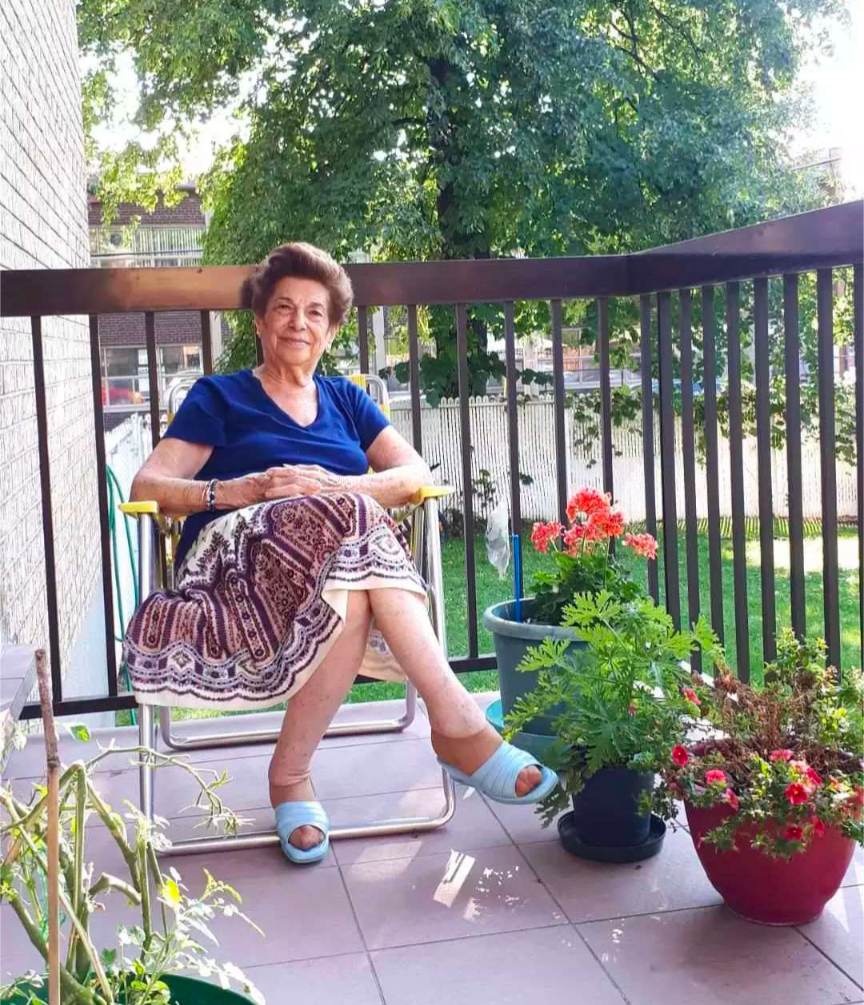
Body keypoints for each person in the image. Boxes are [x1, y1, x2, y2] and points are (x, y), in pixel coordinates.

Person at [123, 242, 557, 864]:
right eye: (284, 308)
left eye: (314, 313)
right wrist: (238, 489)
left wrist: (337, 487)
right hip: (238, 566)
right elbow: (148, 487)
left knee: (350, 570)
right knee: (354, 524)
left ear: (330, 329)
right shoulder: (219, 399)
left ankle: (290, 777)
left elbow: (412, 475)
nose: (299, 322)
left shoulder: (348, 401)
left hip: (342, 569)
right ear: (260, 322)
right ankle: (456, 722)